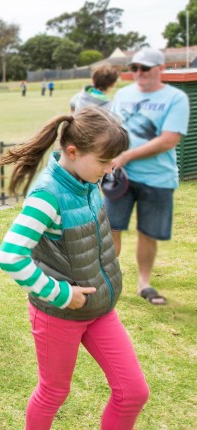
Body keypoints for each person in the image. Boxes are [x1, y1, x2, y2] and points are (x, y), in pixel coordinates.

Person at [0, 107, 149, 429]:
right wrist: (61, 294)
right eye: (104, 161)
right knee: (54, 393)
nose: (109, 170)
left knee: (133, 392)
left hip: (100, 309)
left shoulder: (87, 180)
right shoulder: (46, 196)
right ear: (73, 152)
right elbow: (10, 255)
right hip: (59, 315)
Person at [106, 47, 189, 305]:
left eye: (145, 68)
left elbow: (168, 140)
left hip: (158, 179)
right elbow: (112, 129)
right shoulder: (122, 95)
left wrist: (127, 156)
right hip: (120, 178)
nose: (139, 73)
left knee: (147, 233)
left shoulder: (176, 98)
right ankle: (106, 282)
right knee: (111, 228)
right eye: (135, 68)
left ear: (161, 69)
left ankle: (144, 284)